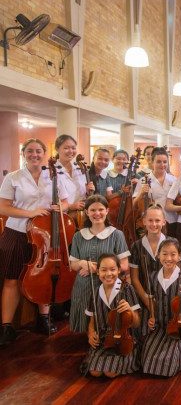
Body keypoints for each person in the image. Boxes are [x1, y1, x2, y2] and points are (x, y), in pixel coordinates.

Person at [0, 139, 69, 344]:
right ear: (24, 153)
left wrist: (61, 208)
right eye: (30, 151)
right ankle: (6, 327)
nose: (35, 155)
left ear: (44, 153)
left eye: (38, 151)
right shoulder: (13, 177)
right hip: (18, 231)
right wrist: (30, 213)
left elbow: (64, 201)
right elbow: (3, 207)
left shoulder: (54, 175)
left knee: (45, 274)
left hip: (45, 234)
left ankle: (43, 318)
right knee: (11, 279)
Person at [69, 195, 131, 333]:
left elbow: (125, 265)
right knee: (87, 333)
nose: (97, 213)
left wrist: (95, 269)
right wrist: (82, 263)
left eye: (101, 209)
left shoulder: (117, 235)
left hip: (108, 285)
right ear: (86, 212)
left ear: (107, 211)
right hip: (84, 286)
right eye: (93, 210)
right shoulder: (78, 235)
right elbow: (73, 265)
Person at [141, 238, 181, 377]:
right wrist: (152, 317)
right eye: (164, 254)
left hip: (179, 326)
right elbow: (152, 300)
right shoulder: (153, 277)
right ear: (158, 255)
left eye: (173, 254)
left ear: (179, 255)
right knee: (147, 360)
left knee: (168, 362)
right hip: (161, 326)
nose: (168, 258)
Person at [82, 253, 140, 378]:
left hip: (124, 341)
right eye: (103, 270)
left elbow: (137, 323)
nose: (108, 274)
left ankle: (128, 359)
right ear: (97, 271)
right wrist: (90, 333)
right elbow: (93, 318)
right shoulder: (96, 291)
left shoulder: (127, 289)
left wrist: (130, 309)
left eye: (113, 269)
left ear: (119, 270)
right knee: (94, 372)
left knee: (109, 372)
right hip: (104, 340)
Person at [128, 205, 171, 338]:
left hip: (166, 297)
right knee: (143, 331)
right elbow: (134, 279)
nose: (154, 224)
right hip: (144, 297)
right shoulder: (136, 246)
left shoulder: (172, 244)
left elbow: (175, 276)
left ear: (163, 222)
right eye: (150, 220)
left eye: (157, 220)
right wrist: (148, 301)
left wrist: (160, 301)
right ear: (144, 222)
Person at [133, 147, 177, 237]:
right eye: (158, 162)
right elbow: (133, 204)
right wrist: (141, 193)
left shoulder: (174, 180)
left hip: (172, 222)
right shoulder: (143, 180)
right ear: (152, 162)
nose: (162, 165)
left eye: (165, 162)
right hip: (153, 223)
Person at [55, 135, 94, 227]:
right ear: (57, 149)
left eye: (73, 148)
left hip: (80, 216)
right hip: (63, 217)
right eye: (66, 148)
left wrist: (88, 191)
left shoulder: (79, 169)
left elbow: (82, 194)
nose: (71, 151)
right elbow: (50, 197)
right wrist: (70, 206)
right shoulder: (51, 171)